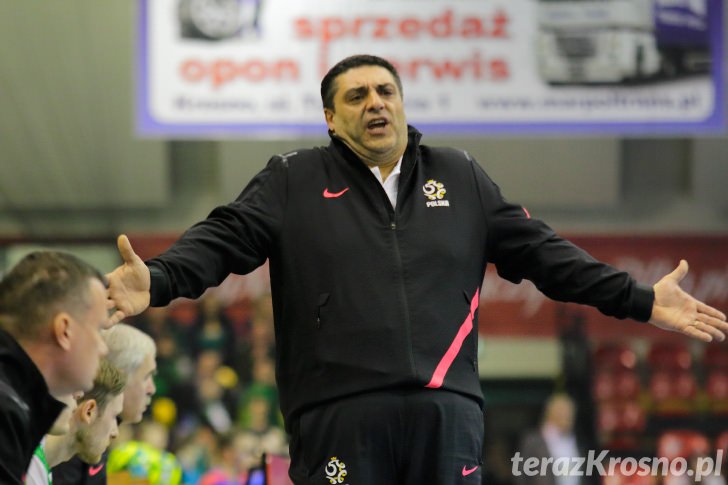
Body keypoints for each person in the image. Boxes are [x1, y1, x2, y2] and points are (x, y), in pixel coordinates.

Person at [105, 54, 728, 484]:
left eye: (386, 92)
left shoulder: (460, 175)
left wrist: (642, 300)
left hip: (447, 413)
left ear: (402, 103)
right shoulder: (292, 179)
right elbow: (224, 239)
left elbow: (545, 254)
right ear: (331, 118)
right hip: (338, 414)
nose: (375, 103)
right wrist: (157, 279)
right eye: (357, 96)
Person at [0, 251, 110, 484]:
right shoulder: (5, 411)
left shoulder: (15, 403)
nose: (103, 348)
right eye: (98, 329)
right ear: (64, 330)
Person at [53, 323, 157, 485]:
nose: (152, 389)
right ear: (120, 374)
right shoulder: (65, 450)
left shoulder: (96, 444)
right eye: (146, 377)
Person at [48, 359, 126, 484]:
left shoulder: (39, 471)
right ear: (88, 411)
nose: (115, 433)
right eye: (114, 417)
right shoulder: (24, 466)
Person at [516, 394, 584, 485]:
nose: (568, 417)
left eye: (570, 413)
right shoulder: (532, 441)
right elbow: (521, 476)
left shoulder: (576, 441)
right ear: (550, 413)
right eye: (562, 413)